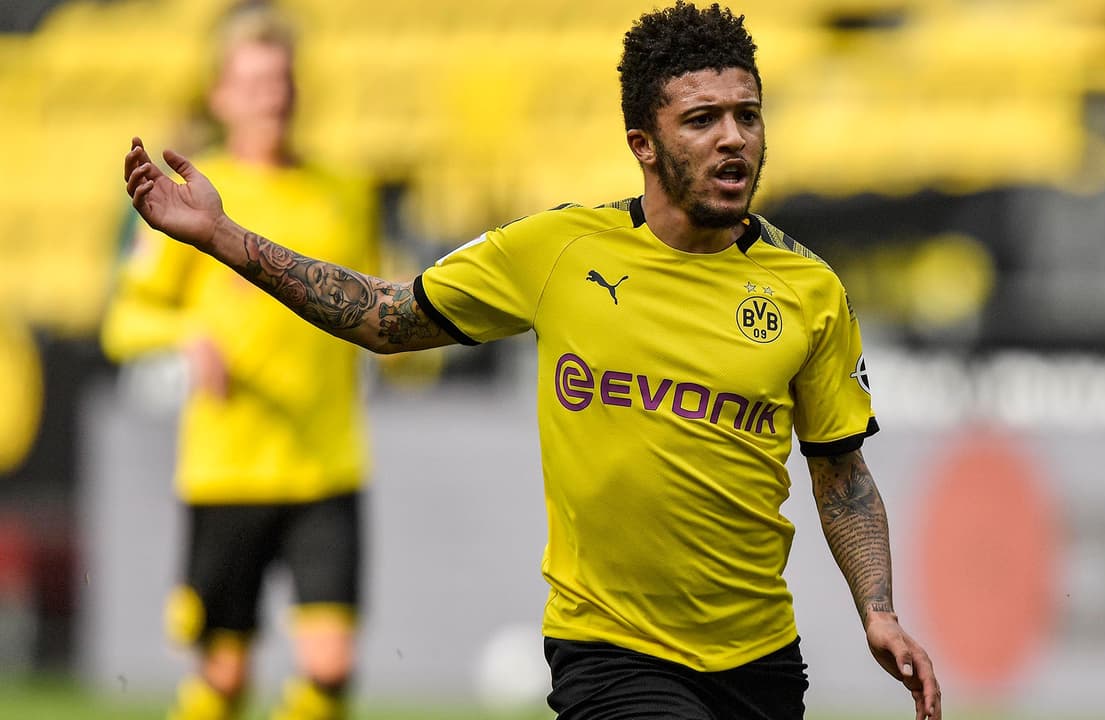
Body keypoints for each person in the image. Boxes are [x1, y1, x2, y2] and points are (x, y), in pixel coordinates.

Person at [122, 2, 941, 718]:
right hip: (610, 651)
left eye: (747, 115)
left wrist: (878, 611)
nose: (733, 138)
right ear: (643, 143)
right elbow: (384, 316)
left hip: (759, 660)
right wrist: (224, 238)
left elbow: (842, 474)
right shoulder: (557, 251)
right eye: (702, 120)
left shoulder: (809, 290)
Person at [102, 5, 378, 720]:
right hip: (228, 469)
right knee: (224, 676)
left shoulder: (345, 193)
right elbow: (124, 321)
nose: (271, 97)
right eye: (254, 83)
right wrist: (188, 334)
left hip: (326, 462)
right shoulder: (190, 199)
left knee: (331, 664)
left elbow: (377, 301)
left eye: (281, 80)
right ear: (220, 96)